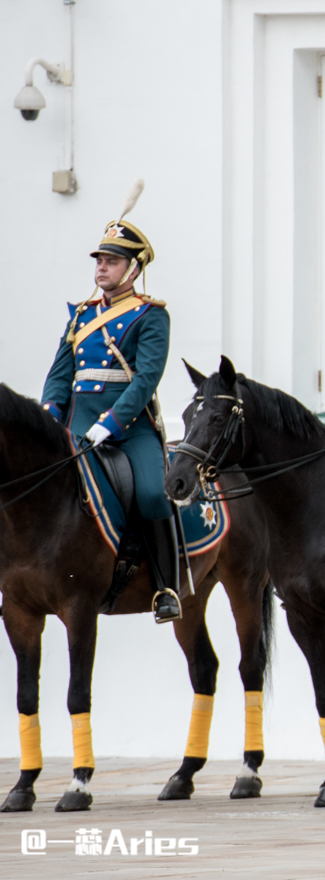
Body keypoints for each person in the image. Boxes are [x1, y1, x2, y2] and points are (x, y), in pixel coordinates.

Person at [42, 181, 178, 622]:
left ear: (133, 269)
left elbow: (147, 380)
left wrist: (112, 424)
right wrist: (49, 418)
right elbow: (61, 375)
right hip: (78, 424)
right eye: (100, 259)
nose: (102, 267)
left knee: (155, 495)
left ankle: (165, 588)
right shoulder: (81, 315)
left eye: (112, 261)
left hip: (130, 427)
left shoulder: (151, 315)